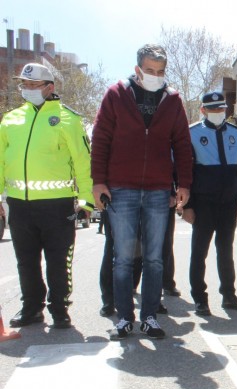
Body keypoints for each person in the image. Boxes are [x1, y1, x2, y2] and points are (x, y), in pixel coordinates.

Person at [91, 44, 192, 340]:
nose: (155, 76)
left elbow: (183, 145)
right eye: (150, 71)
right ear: (137, 70)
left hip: (160, 191)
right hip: (121, 188)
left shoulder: (173, 100)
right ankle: (124, 318)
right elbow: (101, 139)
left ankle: (149, 317)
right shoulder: (116, 94)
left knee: (154, 258)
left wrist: (183, 184)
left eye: (161, 72)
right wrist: (99, 181)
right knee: (122, 257)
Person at [0, 63, 93, 329]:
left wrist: (86, 200)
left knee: (58, 261)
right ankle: (32, 307)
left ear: (49, 87)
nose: (26, 89)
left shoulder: (68, 119)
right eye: (24, 85)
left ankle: (60, 308)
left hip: (57, 205)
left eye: (33, 85)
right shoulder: (11, 119)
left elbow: (83, 162)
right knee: (26, 261)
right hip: (20, 204)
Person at [182, 91, 237, 317]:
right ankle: (200, 299)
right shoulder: (192, 134)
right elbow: (186, 173)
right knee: (198, 252)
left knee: (225, 251)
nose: (217, 113)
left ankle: (229, 296)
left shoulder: (235, 133)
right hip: (203, 203)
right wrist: (188, 205)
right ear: (203, 110)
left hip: (228, 203)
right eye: (212, 109)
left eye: (221, 109)